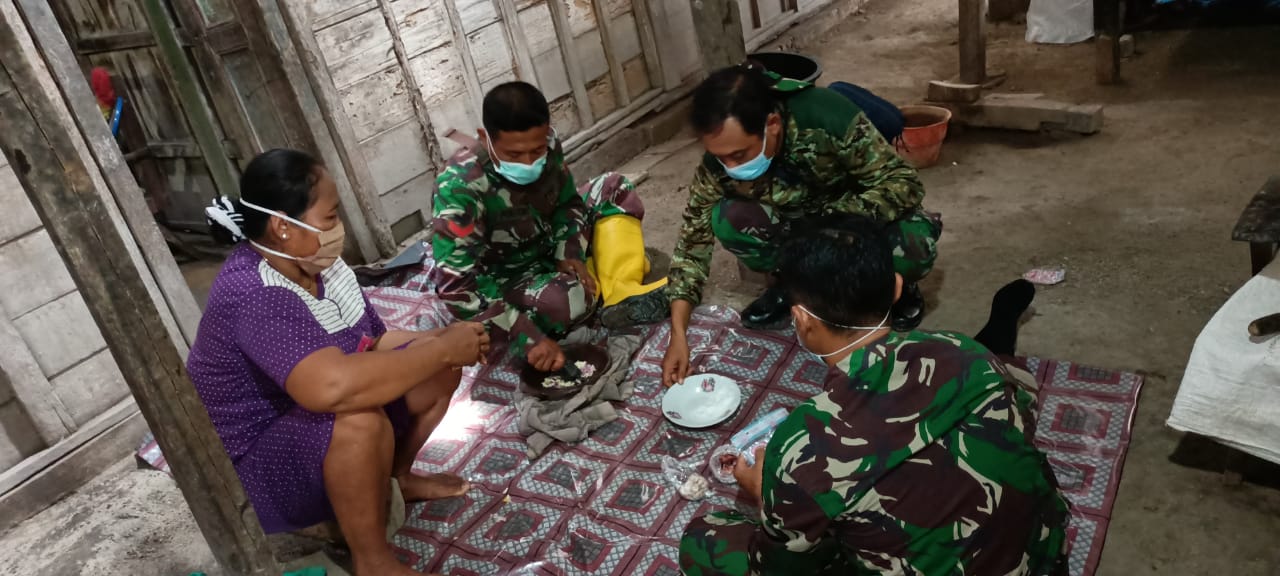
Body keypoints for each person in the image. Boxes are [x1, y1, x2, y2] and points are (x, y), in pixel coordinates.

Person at [678, 215, 1068, 576]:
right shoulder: (959, 349)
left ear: (801, 320)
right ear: (897, 287)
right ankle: (1002, 324)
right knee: (1002, 377)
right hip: (1045, 558)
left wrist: (765, 495)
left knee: (705, 539)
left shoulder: (801, 447)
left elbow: (777, 568)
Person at [192, 149, 488, 576]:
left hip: (304, 422)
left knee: (434, 366)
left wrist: (440, 342)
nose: (338, 230)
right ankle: (372, 560)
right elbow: (329, 389)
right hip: (258, 463)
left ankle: (395, 480)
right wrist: (438, 348)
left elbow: (375, 341)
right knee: (358, 418)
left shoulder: (317, 266)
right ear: (282, 228)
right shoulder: (254, 293)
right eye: (329, 219)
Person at [662, 64, 942, 386]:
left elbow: (904, 183)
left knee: (912, 247)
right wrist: (678, 334)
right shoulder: (719, 163)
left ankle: (894, 288)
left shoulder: (826, 117)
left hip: (856, 220)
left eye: (739, 154)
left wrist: (832, 222)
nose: (730, 166)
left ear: (773, 124)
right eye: (721, 157)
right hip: (795, 226)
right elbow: (691, 245)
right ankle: (794, 286)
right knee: (730, 220)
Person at [432, 81, 667, 372]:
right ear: (485, 138)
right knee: (565, 301)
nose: (529, 163)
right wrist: (524, 336)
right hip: (506, 277)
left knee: (613, 187)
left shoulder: (549, 145)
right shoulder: (459, 187)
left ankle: (621, 290)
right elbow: (457, 289)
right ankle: (607, 271)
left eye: (537, 150)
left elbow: (568, 204)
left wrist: (568, 249)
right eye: (514, 155)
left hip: (546, 242)